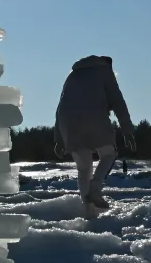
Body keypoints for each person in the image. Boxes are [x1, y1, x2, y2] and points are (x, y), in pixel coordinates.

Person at [53, 55, 135, 213]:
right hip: (94, 116)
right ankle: (96, 188)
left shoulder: (72, 75)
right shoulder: (104, 71)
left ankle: (88, 209)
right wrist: (127, 129)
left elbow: (60, 107)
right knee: (109, 153)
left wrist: (58, 139)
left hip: (68, 122)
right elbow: (118, 101)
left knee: (84, 167)